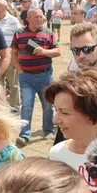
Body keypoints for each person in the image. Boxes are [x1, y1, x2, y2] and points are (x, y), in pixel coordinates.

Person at [11, 8, 60, 146]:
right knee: (27, 105)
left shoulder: (48, 33)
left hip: (45, 75)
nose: (40, 19)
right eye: (37, 17)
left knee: (48, 104)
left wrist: (45, 51)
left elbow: (58, 51)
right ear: (28, 18)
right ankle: (24, 135)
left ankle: (48, 130)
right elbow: (13, 53)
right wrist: (20, 70)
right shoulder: (19, 34)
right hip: (26, 76)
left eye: (41, 17)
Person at [0, 0, 23, 110]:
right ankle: (1, 108)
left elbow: (20, 36)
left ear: (5, 7)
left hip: (9, 58)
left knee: (13, 85)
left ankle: (15, 108)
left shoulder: (13, 21)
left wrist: (15, 52)